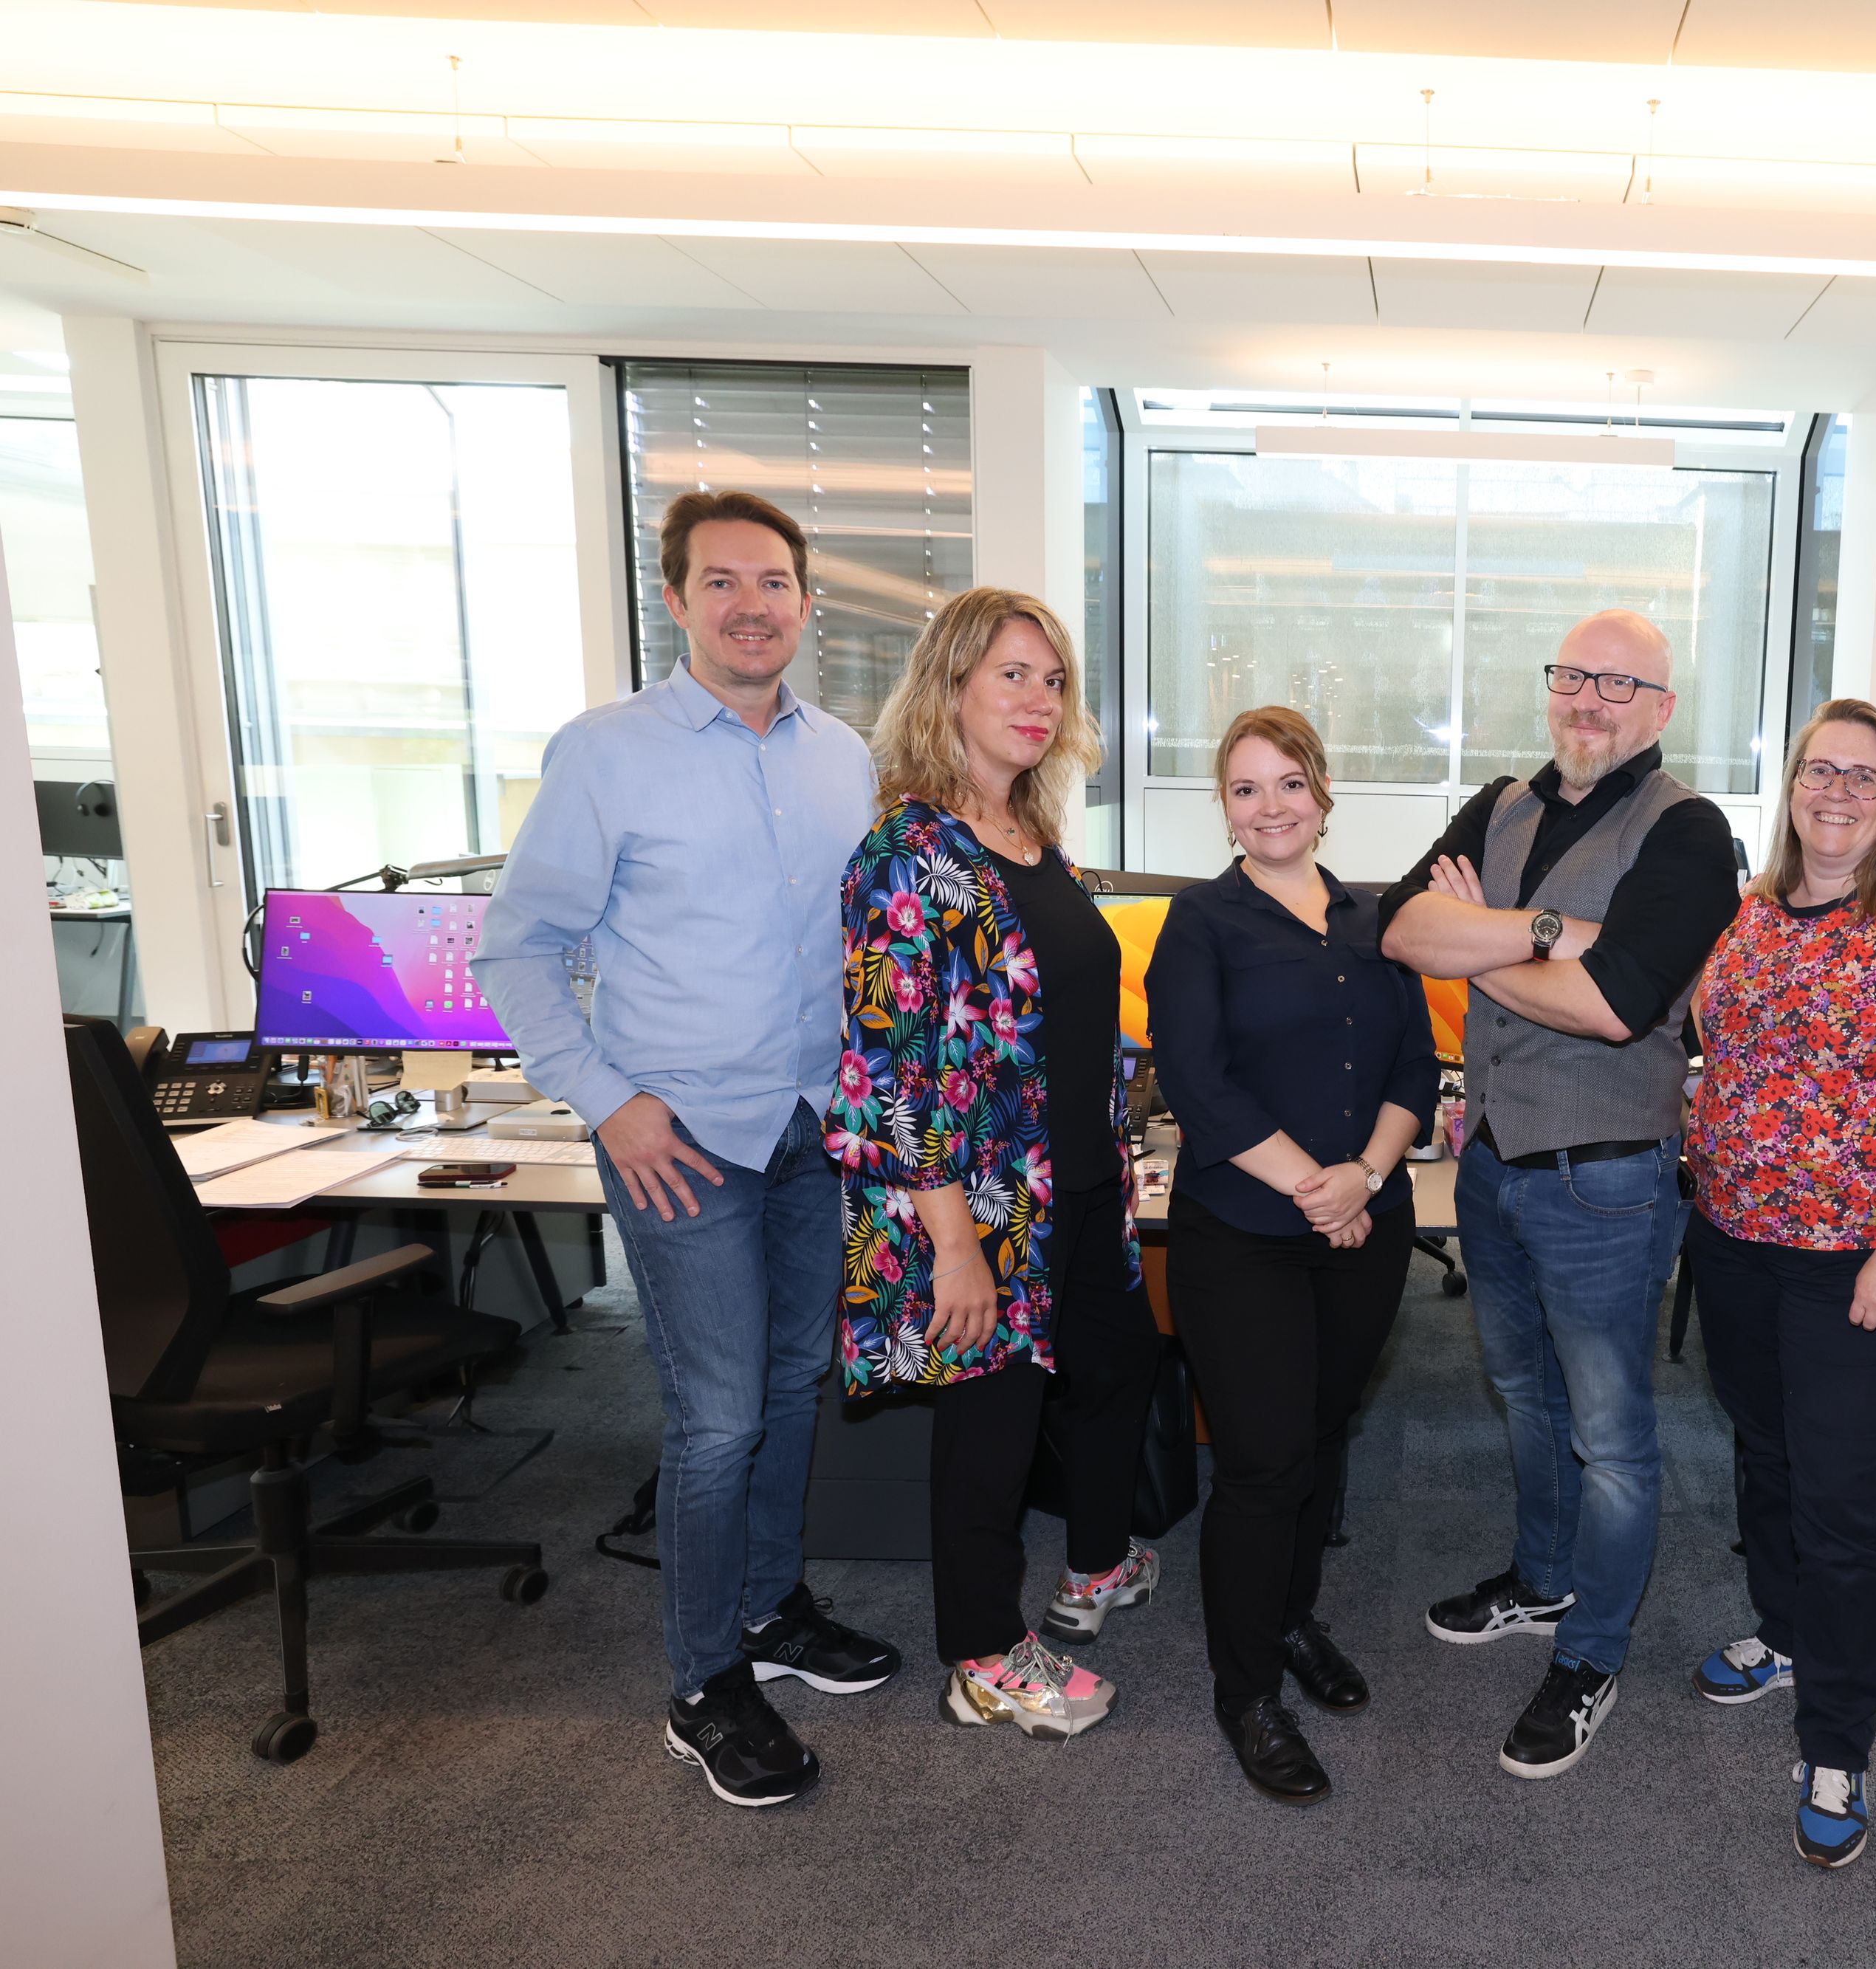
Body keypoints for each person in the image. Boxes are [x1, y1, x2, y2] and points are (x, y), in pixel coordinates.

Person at [478, 488, 901, 1809]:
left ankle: (771, 1607)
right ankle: (704, 1681)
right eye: (721, 583)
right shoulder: (606, 753)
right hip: (682, 1140)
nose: (751, 605)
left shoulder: (845, 756)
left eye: (773, 582)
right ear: (674, 601)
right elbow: (520, 951)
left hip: (811, 1126)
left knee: (790, 1387)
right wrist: (608, 1098)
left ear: (807, 602)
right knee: (714, 1415)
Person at [1381, 608, 1742, 1781]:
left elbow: (1619, 1005)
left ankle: (1591, 1654)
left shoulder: (1689, 833)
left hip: (1608, 1182)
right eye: (1574, 677)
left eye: (1620, 685)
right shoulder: (1501, 804)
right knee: (1520, 1394)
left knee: (1616, 1441)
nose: (1591, 701)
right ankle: (1543, 1581)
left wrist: (1476, 938)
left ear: (1661, 707)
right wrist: (1545, 935)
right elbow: (1402, 927)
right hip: (1488, 1165)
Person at [833, 586, 1160, 1745]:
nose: (1037, 699)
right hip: (976, 1214)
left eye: (1054, 679)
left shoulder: (1031, 836)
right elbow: (889, 1074)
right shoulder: (908, 856)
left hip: (1077, 1191)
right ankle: (980, 1658)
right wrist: (955, 1249)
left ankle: (1097, 1562)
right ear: (952, 686)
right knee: (992, 1435)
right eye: (1011, 674)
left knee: (1119, 1371)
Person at [1683, 700, 1876, 1869]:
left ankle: (1839, 1746)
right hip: (1735, 1240)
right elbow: (1717, 1043)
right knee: (1763, 1451)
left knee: (1842, 1502)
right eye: (1820, 770)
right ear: (1795, 786)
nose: (1839, 791)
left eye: (1866, 776)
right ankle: (1782, 1632)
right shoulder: (1755, 914)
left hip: (1855, 1263)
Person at [1145, 707, 1440, 1806]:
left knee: (1321, 1440)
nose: (1270, 807)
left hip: (1368, 1222)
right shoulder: (1200, 924)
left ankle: (1290, 1616)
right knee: (1264, 1462)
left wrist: (1366, 1174)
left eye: (1288, 784)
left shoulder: (1375, 919)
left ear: (1323, 792)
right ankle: (1245, 1689)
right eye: (1245, 789)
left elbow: (1418, 1059)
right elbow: (1199, 1083)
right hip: (1249, 1234)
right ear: (1223, 809)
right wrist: (1322, 1190)